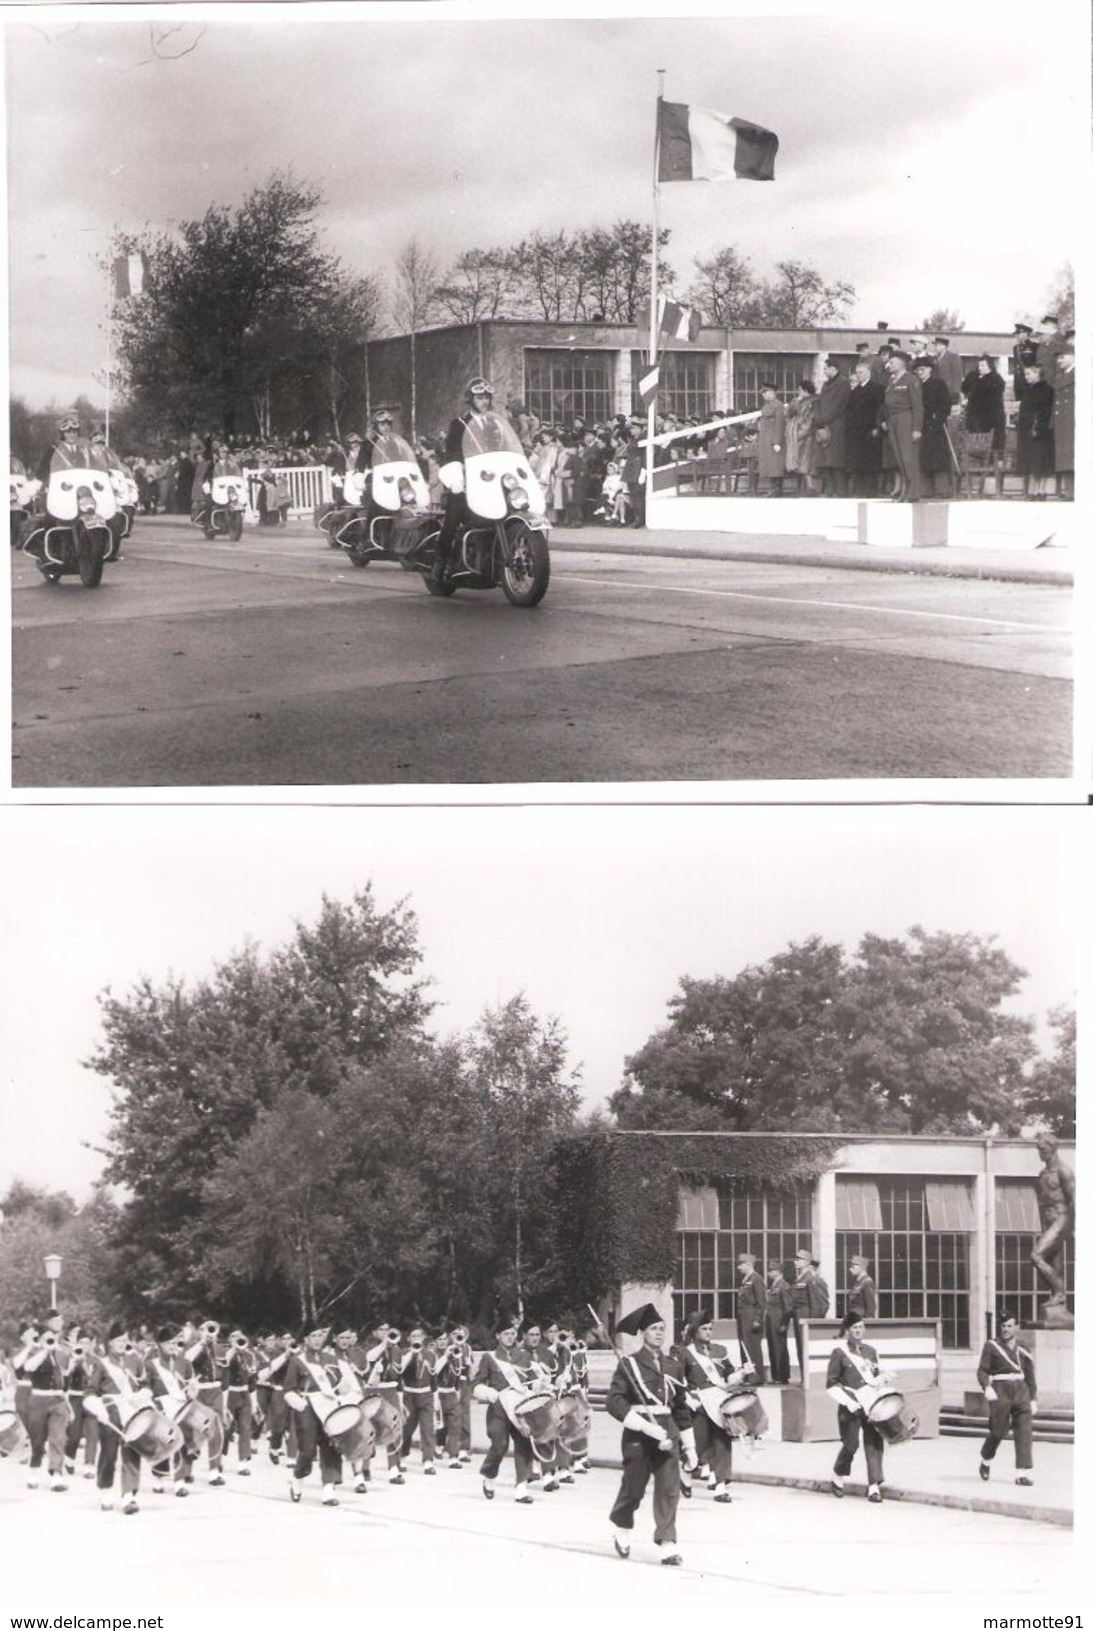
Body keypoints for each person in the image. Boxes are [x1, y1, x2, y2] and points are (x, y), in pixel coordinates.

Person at [606, 1303, 689, 1564]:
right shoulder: (629, 1364)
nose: (659, 1333)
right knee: (633, 1487)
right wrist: (642, 1424)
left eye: (662, 1329)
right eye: (654, 1329)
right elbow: (614, 1401)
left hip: (668, 1430)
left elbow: (680, 1406)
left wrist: (691, 1445)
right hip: (639, 1431)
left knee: (669, 1488)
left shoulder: (673, 1365)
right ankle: (622, 1526)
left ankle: (667, 1542)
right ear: (643, 1333)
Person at [432, 376, 497, 584]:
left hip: (492, 479)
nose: (484, 401)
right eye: (480, 397)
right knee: (455, 514)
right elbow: (452, 453)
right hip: (467, 480)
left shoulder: (495, 424)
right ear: (471, 399)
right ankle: (440, 562)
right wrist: (457, 476)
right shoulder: (459, 424)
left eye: (487, 397)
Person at [679, 1310, 748, 1504]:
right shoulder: (684, 1352)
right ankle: (686, 1471)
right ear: (695, 1330)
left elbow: (729, 1378)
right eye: (704, 1328)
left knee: (722, 1442)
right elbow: (678, 1380)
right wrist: (687, 1399)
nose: (708, 1332)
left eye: (710, 1328)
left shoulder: (720, 1350)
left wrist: (743, 1373)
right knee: (698, 1444)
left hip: (720, 1401)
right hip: (699, 1402)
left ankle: (720, 1487)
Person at [472, 1314, 537, 1503]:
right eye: (506, 1334)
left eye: (513, 1333)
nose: (510, 1337)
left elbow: (532, 1380)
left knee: (524, 1444)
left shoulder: (524, 1357)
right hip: (499, 1407)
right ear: (498, 1336)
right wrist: (488, 1392)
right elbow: (476, 1382)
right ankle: (489, 1476)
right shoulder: (490, 1358)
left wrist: (541, 1387)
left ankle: (521, 1487)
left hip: (520, 1407)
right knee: (499, 1444)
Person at [826, 1312, 890, 1503]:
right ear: (847, 1330)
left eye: (861, 1327)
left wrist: (883, 1380)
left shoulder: (871, 1351)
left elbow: (876, 1377)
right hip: (850, 1405)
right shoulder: (839, 1352)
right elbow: (831, 1383)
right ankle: (838, 1474)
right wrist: (850, 1402)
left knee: (874, 1443)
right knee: (851, 1443)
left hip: (871, 1405)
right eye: (854, 1327)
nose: (858, 1331)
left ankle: (874, 1486)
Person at [280, 1323, 343, 1506]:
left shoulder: (331, 1359)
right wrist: (297, 1403)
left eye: (319, 1335)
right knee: (307, 1449)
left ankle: (329, 1488)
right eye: (313, 1336)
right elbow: (288, 1389)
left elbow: (339, 1384)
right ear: (306, 1340)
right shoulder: (297, 1360)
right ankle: (297, 1479)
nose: (317, 1339)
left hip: (329, 1405)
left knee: (331, 1445)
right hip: (306, 1406)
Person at [977, 1311, 1037, 1485]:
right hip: (1001, 1392)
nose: (1006, 1329)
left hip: (1021, 1391)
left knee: (1024, 1431)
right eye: (1003, 1326)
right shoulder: (991, 1346)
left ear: (1016, 1327)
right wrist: (986, 1387)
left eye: (1009, 1326)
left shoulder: (1023, 1347)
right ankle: (985, 1460)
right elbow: (982, 1370)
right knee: (998, 1432)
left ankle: (1021, 1473)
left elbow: (1030, 1375)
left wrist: (1033, 1398)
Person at [14, 1315, 70, 1491]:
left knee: (58, 1438)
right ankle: (34, 1467)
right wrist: (44, 1350)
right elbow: (27, 1367)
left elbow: (65, 1379)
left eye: (52, 1338)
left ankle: (56, 1474)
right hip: (38, 1399)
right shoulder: (35, 1352)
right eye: (47, 1338)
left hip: (57, 1400)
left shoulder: (60, 1353)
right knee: (37, 1440)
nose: (50, 1341)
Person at [1030, 1133, 1075, 1310]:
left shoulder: (1064, 1171)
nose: (1039, 1153)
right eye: (1038, 1149)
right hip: (1049, 1223)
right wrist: (1044, 1228)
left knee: (1036, 1256)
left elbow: (1076, 1199)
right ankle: (1058, 1299)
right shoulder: (1042, 1175)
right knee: (1053, 1264)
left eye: (1042, 1149)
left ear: (1052, 1147)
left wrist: (1073, 1227)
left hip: (1062, 1219)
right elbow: (1042, 1204)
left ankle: (1060, 1291)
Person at [881, 350, 924, 501]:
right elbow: (887, 403)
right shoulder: (891, 381)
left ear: (901, 363)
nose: (889, 365)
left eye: (892, 362)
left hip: (906, 419)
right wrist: (885, 420)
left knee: (908, 457)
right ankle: (905, 490)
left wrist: (917, 428)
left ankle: (914, 492)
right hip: (893, 420)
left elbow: (917, 406)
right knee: (899, 457)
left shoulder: (911, 380)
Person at [912, 355, 954, 498]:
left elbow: (946, 403)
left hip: (936, 426)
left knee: (938, 458)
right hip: (922, 425)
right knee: (924, 458)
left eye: (923, 369)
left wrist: (938, 417)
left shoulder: (938, 383)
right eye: (918, 370)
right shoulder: (917, 385)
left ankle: (942, 490)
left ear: (930, 370)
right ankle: (926, 490)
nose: (920, 372)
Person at [399, 1325, 438, 1475]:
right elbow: (400, 1372)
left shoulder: (431, 1355)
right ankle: (402, 1456)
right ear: (408, 1339)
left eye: (419, 1336)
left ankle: (428, 1460)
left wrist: (435, 1399)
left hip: (426, 1394)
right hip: (410, 1394)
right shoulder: (404, 1353)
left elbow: (434, 1378)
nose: (416, 1339)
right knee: (407, 1427)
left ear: (424, 1338)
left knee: (428, 1428)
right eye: (413, 1336)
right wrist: (411, 1354)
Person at [1014, 361, 1054, 499]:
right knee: (1032, 461)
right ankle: (1035, 490)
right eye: (1025, 374)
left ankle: (1041, 490)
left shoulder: (1047, 390)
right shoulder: (1028, 389)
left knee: (1041, 461)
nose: (1026, 377)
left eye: (1029, 374)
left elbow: (1045, 410)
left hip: (1040, 430)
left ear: (1038, 373)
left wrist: (1037, 426)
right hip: (1027, 429)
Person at [790, 1246, 830, 1381]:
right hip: (799, 1317)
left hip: (807, 1318)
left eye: (798, 1259)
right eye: (795, 1259)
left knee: (807, 1349)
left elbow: (822, 1304)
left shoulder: (811, 1279)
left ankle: (809, 1379)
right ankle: (804, 1378)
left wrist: (814, 1322)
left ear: (807, 1262)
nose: (795, 1261)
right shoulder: (800, 1279)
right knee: (800, 1349)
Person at [844, 362, 885, 496]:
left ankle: (872, 490)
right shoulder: (855, 391)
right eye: (857, 373)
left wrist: (877, 427)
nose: (859, 375)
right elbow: (849, 411)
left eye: (861, 372)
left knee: (871, 461)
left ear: (868, 373)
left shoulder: (877, 389)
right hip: (856, 432)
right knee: (858, 461)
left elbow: (880, 409)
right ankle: (860, 490)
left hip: (870, 430)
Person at [815, 360, 851, 495]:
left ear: (833, 368)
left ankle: (840, 490)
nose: (824, 371)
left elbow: (839, 404)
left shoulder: (843, 383)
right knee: (825, 460)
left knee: (836, 460)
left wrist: (824, 419)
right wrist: (818, 418)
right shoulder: (825, 385)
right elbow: (819, 402)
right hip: (824, 426)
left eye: (826, 369)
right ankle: (830, 489)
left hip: (836, 425)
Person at [962, 355, 1007, 458]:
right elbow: (965, 388)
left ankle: (994, 461)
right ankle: (979, 461)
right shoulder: (975, 377)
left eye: (983, 365)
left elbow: (985, 394)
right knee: (977, 439)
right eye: (979, 365)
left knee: (993, 440)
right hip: (977, 417)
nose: (979, 368)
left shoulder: (995, 378)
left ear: (990, 366)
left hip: (991, 416)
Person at [735, 1253, 768, 1381]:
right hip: (744, 1317)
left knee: (752, 1347)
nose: (738, 1267)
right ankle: (749, 1376)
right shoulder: (746, 1280)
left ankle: (756, 1377)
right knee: (745, 1346)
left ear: (749, 1265)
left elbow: (762, 1302)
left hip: (751, 1318)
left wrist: (757, 1319)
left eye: (741, 1264)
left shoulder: (756, 1279)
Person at [784, 380, 818, 493]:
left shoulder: (813, 402)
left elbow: (809, 421)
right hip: (798, 435)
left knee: (806, 461)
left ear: (805, 390)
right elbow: (788, 414)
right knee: (800, 461)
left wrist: (799, 434)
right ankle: (805, 487)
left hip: (808, 436)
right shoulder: (799, 401)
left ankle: (810, 487)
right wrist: (795, 402)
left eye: (800, 390)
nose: (798, 393)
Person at [1051, 344, 1075, 499]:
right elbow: (1056, 402)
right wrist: (1052, 422)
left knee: (1073, 457)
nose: (1059, 361)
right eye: (1057, 358)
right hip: (1063, 423)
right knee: (1065, 458)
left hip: (1073, 422)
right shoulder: (1062, 376)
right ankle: (1069, 491)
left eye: (1062, 357)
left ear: (1073, 356)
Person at [765, 1261, 794, 1384]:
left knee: (780, 1349)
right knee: (773, 1348)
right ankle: (776, 1376)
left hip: (779, 1322)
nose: (769, 1273)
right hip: (772, 1321)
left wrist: (784, 1324)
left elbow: (788, 1307)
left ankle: (782, 1376)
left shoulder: (783, 1286)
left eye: (771, 1270)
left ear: (778, 1271)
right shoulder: (774, 1285)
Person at [756, 382, 787, 495]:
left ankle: (777, 489)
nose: (763, 394)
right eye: (763, 392)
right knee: (770, 466)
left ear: (772, 393)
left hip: (774, 439)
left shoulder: (778, 405)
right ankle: (773, 489)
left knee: (776, 466)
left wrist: (777, 442)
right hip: (766, 439)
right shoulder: (766, 406)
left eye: (766, 392)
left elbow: (780, 424)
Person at [846, 1255, 878, 1319]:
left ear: (862, 1267)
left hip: (861, 1319)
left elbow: (871, 1306)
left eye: (853, 1266)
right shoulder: (858, 1282)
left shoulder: (867, 1282)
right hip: (854, 1317)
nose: (850, 1269)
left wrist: (868, 1321)